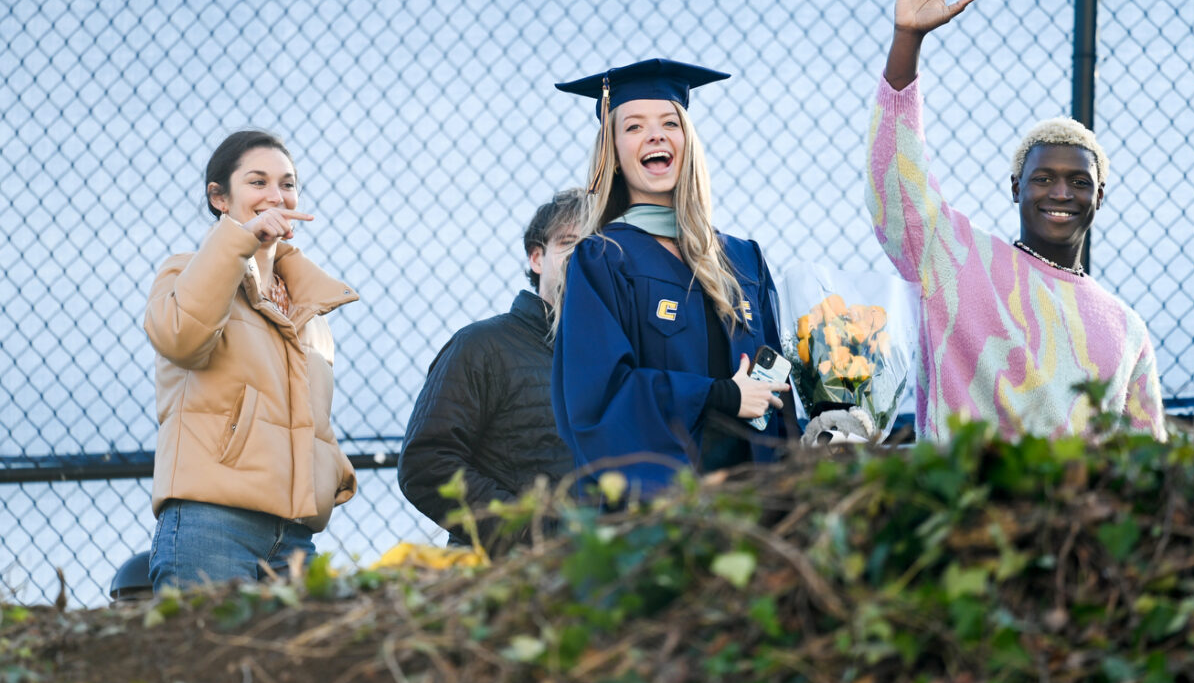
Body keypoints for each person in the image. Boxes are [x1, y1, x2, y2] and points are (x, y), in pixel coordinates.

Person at [866, 0, 1166, 442]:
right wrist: (907, 41)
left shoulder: (1126, 328)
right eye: (1043, 178)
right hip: (962, 491)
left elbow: (1147, 459)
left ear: (1099, 197)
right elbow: (897, 185)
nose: (1060, 193)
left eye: (1079, 181)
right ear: (1016, 188)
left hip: (1071, 500)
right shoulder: (957, 263)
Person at [551, 59, 795, 495]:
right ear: (613, 156)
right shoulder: (604, 259)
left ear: (687, 142)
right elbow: (599, 399)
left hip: (758, 504)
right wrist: (717, 396)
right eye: (634, 127)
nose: (656, 135)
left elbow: (780, 389)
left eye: (670, 123)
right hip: (667, 508)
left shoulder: (743, 260)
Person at [144, 129, 359, 589]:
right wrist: (239, 241)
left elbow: (310, 419)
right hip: (212, 524)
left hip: (294, 537)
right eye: (258, 182)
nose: (276, 195)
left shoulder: (309, 310)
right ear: (219, 198)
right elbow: (182, 338)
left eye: (287, 183)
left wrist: (331, 475)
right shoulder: (185, 273)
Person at [398, 189, 583, 548]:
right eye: (568, 243)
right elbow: (426, 463)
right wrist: (526, 533)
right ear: (537, 258)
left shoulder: (619, 360)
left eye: (594, 246)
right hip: (507, 571)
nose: (582, 255)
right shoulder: (482, 346)